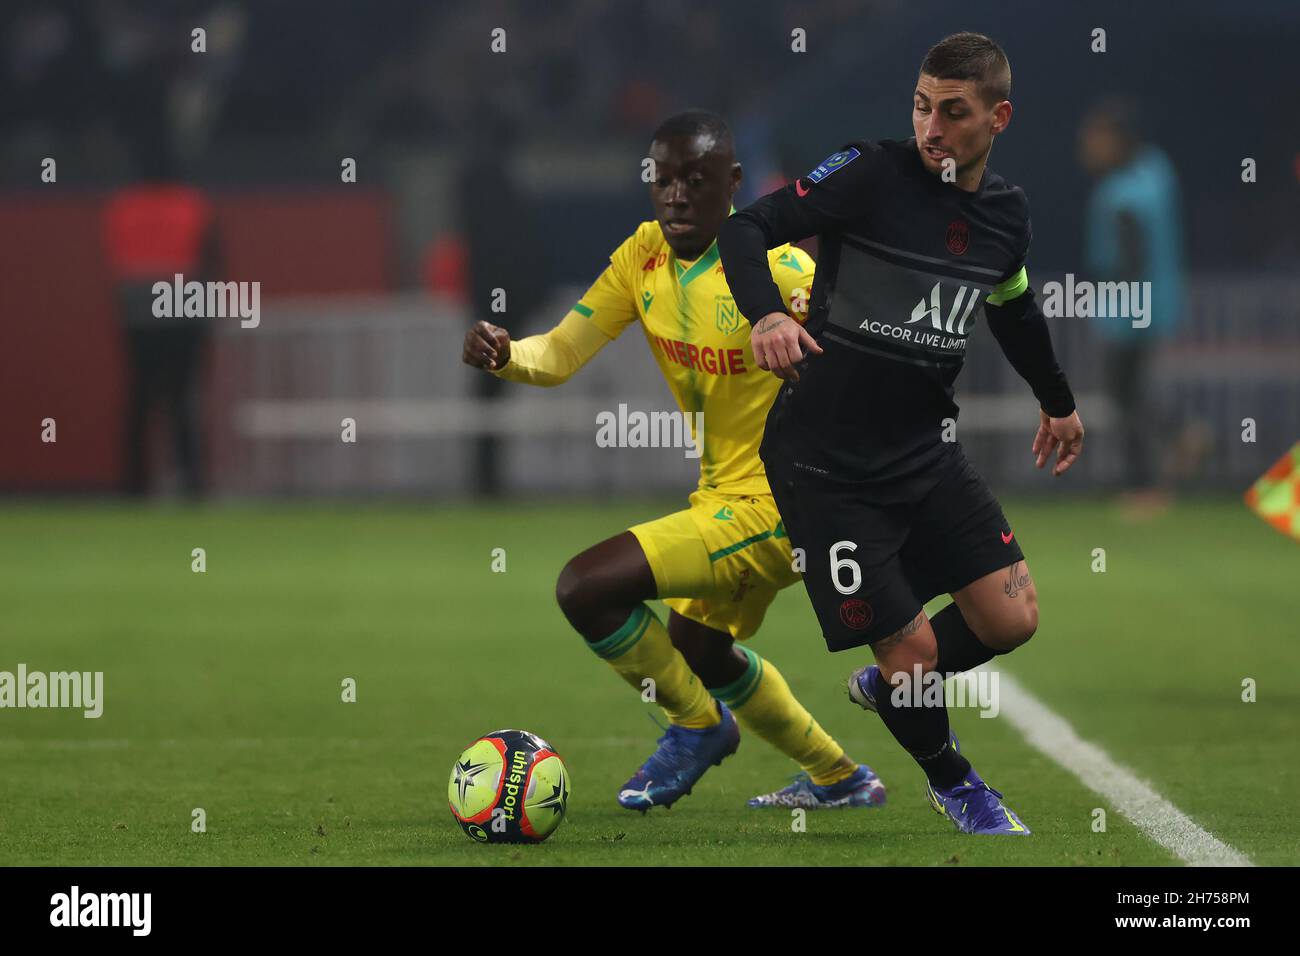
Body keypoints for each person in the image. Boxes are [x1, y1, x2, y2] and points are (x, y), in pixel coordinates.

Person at [461, 111, 885, 812]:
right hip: (720, 496)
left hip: (783, 505)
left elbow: (859, 382)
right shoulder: (643, 257)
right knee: (698, 647)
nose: (678, 194)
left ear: (735, 184)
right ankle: (842, 778)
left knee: (585, 586)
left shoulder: (783, 272)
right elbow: (561, 352)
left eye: (697, 179)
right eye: (664, 179)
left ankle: (697, 726)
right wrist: (508, 355)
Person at [718, 33, 1085, 834]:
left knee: (1011, 620)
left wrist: (1056, 402)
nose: (931, 128)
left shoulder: (1005, 217)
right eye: (922, 107)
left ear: (999, 116)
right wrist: (769, 313)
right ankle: (957, 783)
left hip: (924, 450)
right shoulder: (869, 172)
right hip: (825, 464)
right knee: (914, 656)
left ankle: (895, 689)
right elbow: (744, 229)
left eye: (953, 113)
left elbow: (1013, 306)